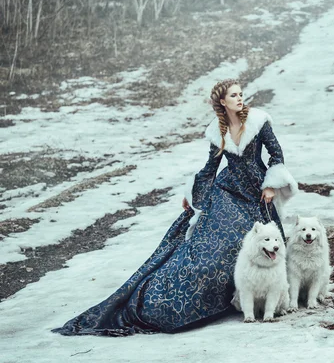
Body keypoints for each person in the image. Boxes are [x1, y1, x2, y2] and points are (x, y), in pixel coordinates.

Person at [52, 79, 298, 336]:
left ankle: (256, 296)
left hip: (257, 194)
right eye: (233, 96)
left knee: (251, 245)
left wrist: (271, 185)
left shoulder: (259, 121)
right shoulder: (217, 130)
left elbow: (276, 154)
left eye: (240, 94)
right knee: (207, 253)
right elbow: (210, 169)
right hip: (227, 192)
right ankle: (170, 306)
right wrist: (192, 197)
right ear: (222, 102)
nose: (239, 99)